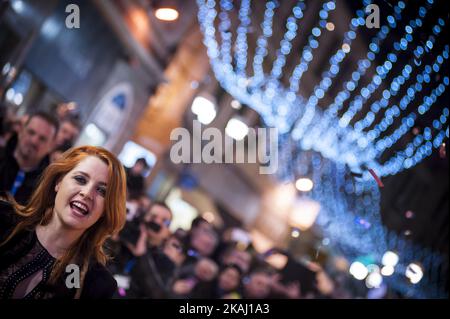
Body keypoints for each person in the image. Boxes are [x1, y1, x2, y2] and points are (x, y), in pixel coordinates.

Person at [0, 145, 127, 299]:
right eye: (80, 179)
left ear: (106, 210)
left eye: (101, 191)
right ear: (58, 182)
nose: (87, 193)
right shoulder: (4, 219)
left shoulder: (97, 284)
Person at [0, 111, 59, 205]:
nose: (34, 141)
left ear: (51, 146)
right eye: (31, 132)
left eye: (42, 138)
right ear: (21, 131)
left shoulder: (47, 188)